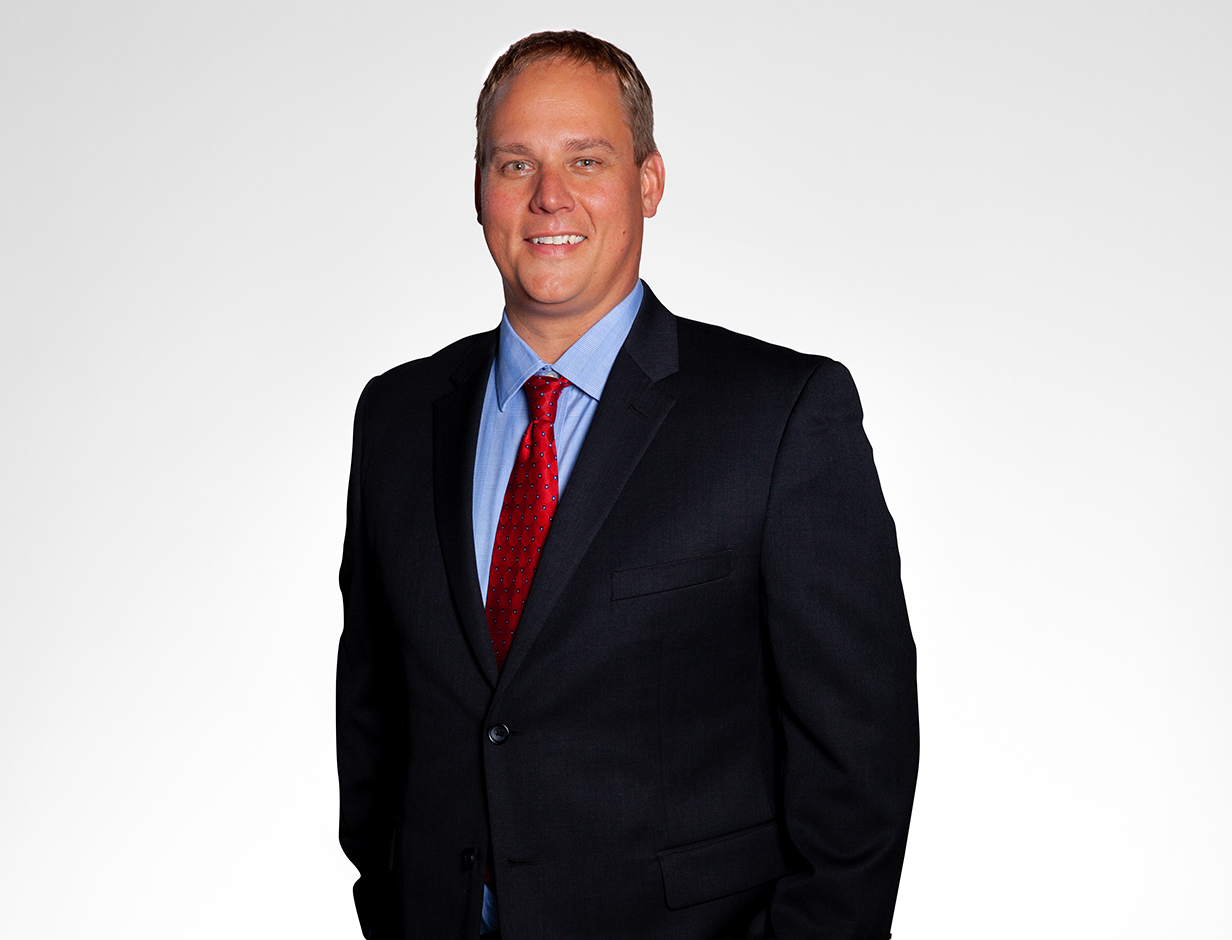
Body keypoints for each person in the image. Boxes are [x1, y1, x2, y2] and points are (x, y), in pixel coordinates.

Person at [337, 30, 918, 940]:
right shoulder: (397, 418)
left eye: (586, 160)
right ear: (479, 189)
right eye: (515, 163)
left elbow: (861, 768)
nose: (549, 196)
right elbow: (372, 726)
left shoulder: (779, 416)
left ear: (649, 182)